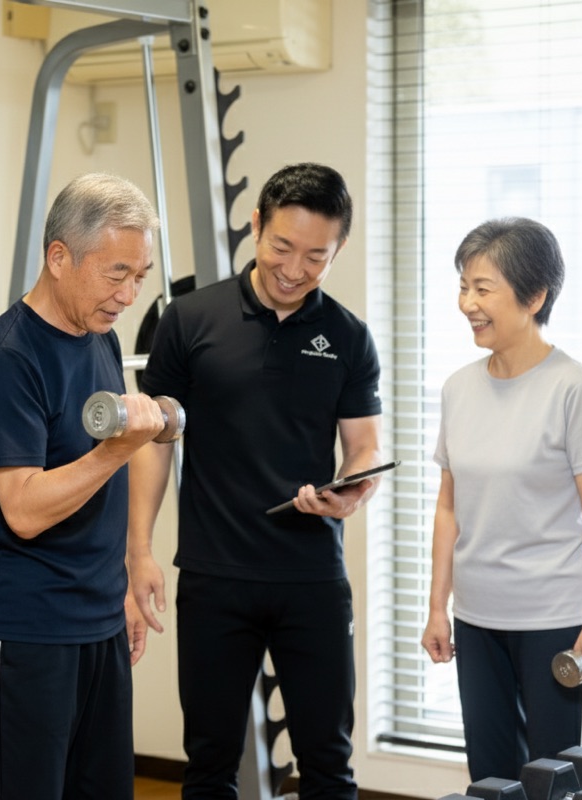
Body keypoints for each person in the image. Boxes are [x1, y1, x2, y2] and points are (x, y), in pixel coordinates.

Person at [128, 163, 384, 799]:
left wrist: (348, 491)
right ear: (256, 226)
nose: (295, 269)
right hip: (216, 577)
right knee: (210, 764)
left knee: (329, 761)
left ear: (339, 249)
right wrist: (138, 551)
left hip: (312, 582)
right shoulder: (187, 320)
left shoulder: (349, 337)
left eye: (317, 256)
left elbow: (363, 448)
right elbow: (154, 443)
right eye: (281, 247)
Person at [0, 173, 162, 800]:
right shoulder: (4, 358)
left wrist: (128, 569)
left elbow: (105, 483)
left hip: (96, 623)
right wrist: (118, 447)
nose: (127, 295)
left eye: (140, 277)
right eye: (116, 273)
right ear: (59, 257)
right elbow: (23, 508)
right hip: (20, 630)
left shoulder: (103, 337)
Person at [419, 217, 582, 782]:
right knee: (490, 779)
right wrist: (439, 606)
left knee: (561, 782)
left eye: (484, 288)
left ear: (535, 296)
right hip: (479, 621)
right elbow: (449, 507)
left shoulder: (575, 388)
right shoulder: (459, 387)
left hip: (556, 621)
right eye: (464, 286)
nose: (468, 303)